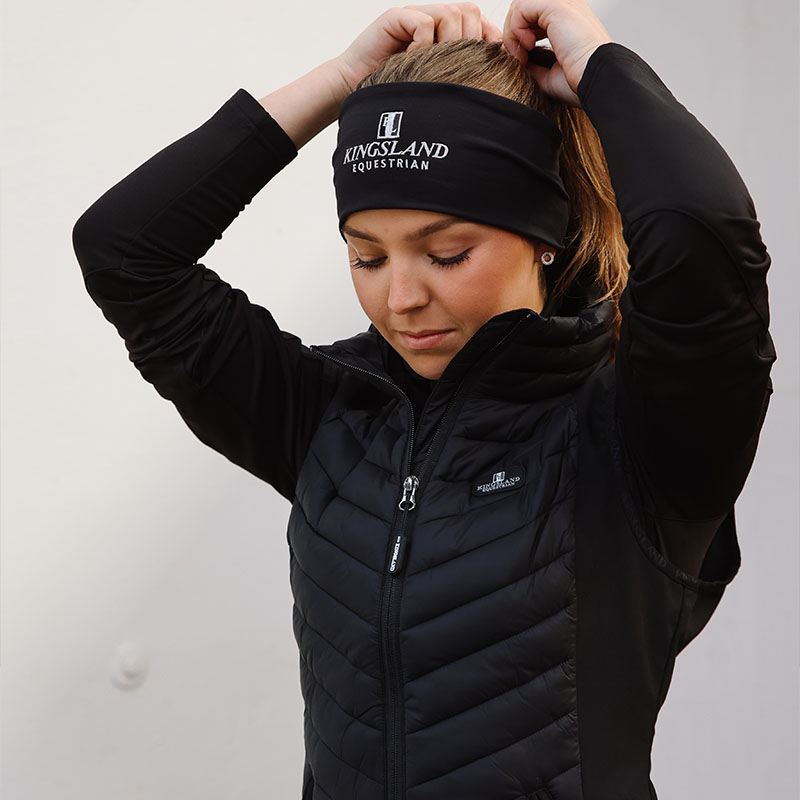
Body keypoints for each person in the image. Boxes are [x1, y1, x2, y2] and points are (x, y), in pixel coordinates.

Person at [71, 1, 776, 797]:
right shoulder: (326, 415)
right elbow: (124, 251)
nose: (400, 298)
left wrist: (598, 65)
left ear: (544, 235)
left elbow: (702, 233)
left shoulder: (640, 435)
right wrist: (342, 82)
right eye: (367, 256)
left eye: (446, 253)